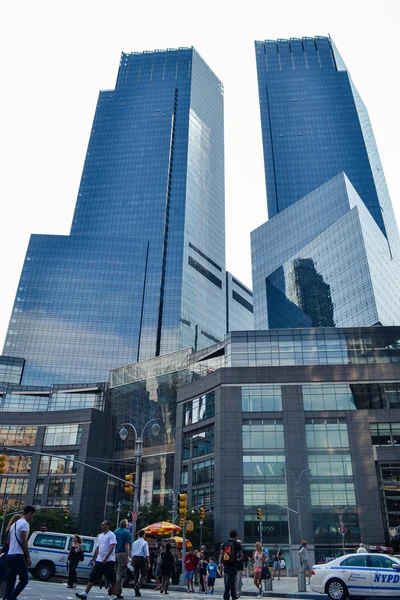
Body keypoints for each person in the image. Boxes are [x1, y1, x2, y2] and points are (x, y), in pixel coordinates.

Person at [76, 520, 117, 600]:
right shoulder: (100, 536)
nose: (102, 526)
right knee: (93, 576)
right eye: (102, 525)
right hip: (99, 560)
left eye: (103, 525)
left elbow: (112, 546)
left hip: (109, 561)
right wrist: (93, 559)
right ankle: (85, 593)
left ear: (107, 526)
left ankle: (113, 596)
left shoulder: (111, 535)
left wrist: (106, 557)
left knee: (111, 579)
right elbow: (98, 548)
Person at [4, 505, 35, 600]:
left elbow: (9, 541)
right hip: (18, 555)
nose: (32, 518)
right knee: (24, 579)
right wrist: (28, 557)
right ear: (29, 513)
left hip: (10, 555)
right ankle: (11, 598)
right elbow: (24, 540)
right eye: (32, 515)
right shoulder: (25, 524)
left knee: (11, 580)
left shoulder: (14, 524)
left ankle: (6, 597)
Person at [0, 512, 22, 596]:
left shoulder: (7, 531)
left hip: (5, 557)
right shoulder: (13, 533)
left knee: (5, 579)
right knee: (5, 579)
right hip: (8, 557)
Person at [221, 529, 242, 600]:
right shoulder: (237, 544)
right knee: (229, 579)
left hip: (226, 563)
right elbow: (240, 554)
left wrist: (221, 563)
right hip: (233, 563)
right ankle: (226, 595)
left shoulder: (225, 543)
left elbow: (221, 553)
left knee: (232, 579)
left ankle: (234, 595)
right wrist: (240, 559)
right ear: (236, 536)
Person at [114, 519, 131, 599]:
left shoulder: (116, 531)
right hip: (122, 553)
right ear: (125, 525)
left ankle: (112, 588)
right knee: (120, 574)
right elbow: (127, 545)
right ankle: (117, 592)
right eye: (127, 524)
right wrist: (127, 556)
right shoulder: (127, 532)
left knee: (116, 572)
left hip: (115, 553)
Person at [131, 529, 150, 597]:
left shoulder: (134, 542)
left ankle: (136, 590)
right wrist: (148, 563)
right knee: (144, 574)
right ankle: (138, 585)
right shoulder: (144, 542)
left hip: (134, 558)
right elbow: (147, 553)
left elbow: (132, 551)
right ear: (143, 535)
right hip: (141, 558)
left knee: (136, 574)